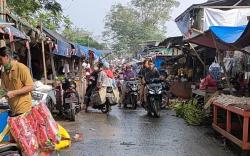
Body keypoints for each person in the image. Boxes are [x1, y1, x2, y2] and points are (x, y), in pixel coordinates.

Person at [0, 47, 34, 117]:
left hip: (24, 110)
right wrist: (2, 93)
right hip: (13, 109)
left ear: (7, 57)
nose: (0, 62)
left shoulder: (21, 68)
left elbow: (30, 87)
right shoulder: (4, 72)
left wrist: (13, 92)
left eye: (0, 59)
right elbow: (3, 90)